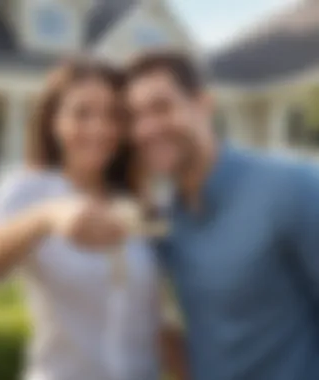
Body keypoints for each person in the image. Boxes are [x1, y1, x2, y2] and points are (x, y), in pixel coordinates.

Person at [0, 57, 184, 380]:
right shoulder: (30, 189)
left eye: (113, 115)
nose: (99, 128)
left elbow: (151, 316)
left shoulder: (139, 200)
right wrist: (46, 217)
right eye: (81, 113)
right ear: (54, 121)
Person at [123, 50, 319, 380]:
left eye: (162, 107)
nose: (146, 129)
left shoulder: (294, 188)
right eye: (134, 116)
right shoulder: (168, 222)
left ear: (203, 105)